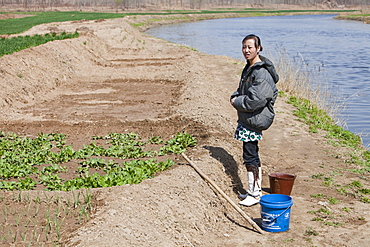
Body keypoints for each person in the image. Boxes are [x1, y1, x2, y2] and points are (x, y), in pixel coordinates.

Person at [230, 34, 279, 206]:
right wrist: (235, 96)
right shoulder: (249, 68)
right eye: (244, 47)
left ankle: (255, 193)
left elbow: (254, 100)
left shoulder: (261, 72)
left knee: (250, 154)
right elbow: (241, 89)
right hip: (248, 118)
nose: (246, 50)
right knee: (249, 153)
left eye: (250, 47)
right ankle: (253, 190)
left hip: (254, 119)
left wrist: (236, 101)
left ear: (259, 48)